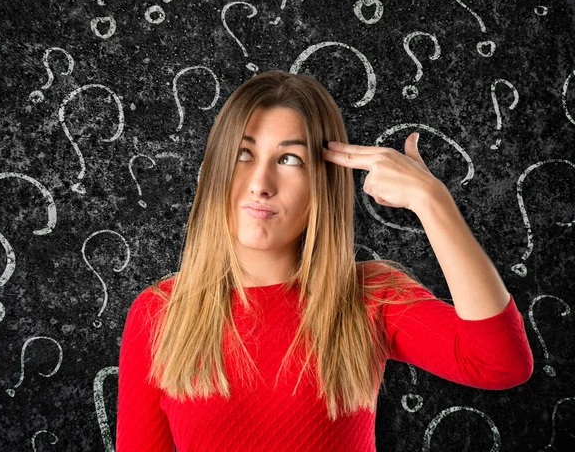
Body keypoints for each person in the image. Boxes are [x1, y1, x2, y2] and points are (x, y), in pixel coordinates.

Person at [116, 70, 533, 452]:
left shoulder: (370, 297)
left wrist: (432, 202)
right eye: (244, 154)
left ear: (323, 182)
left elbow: (500, 363)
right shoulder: (159, 313)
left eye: (289, 159)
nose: (260, 184)